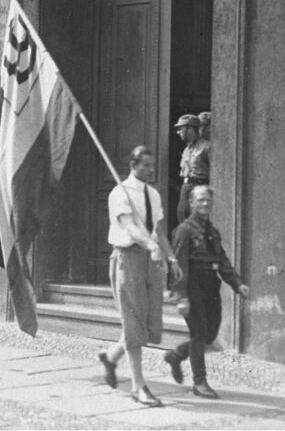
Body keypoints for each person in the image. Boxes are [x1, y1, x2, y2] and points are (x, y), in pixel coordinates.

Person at [97, 145, 181, 407]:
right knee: (133, 323)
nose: (151, 169)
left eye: (152, 165)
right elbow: (130, 227)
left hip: (151, 260)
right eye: (145, 165)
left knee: (147, 324)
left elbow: (159, 229)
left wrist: (171, 257)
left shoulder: (153, 194)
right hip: (128, 258)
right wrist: (151, 246)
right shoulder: (119, 193)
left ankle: (110, 357)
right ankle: (138, 386)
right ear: (133, 165)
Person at [164, 185, 249, 399]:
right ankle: (199, 382)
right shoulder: (184, 230)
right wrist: (181, 297)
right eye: (200, 200)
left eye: (208, 200)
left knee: (210, 334)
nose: (205, 204)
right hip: (192, 285)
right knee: (199, 333)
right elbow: (178, 265)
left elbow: (222, 260)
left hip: (211, 285)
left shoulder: (212, 231)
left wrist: (237, 283)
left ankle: (177, 356)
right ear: (191, 202)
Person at [175, 114, 210, 224]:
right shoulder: (186, 149)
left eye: (181, 129)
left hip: (199, 188)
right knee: (183, 219)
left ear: (190, 129)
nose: (178, 132)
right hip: (185, 189)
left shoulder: (207, 147)